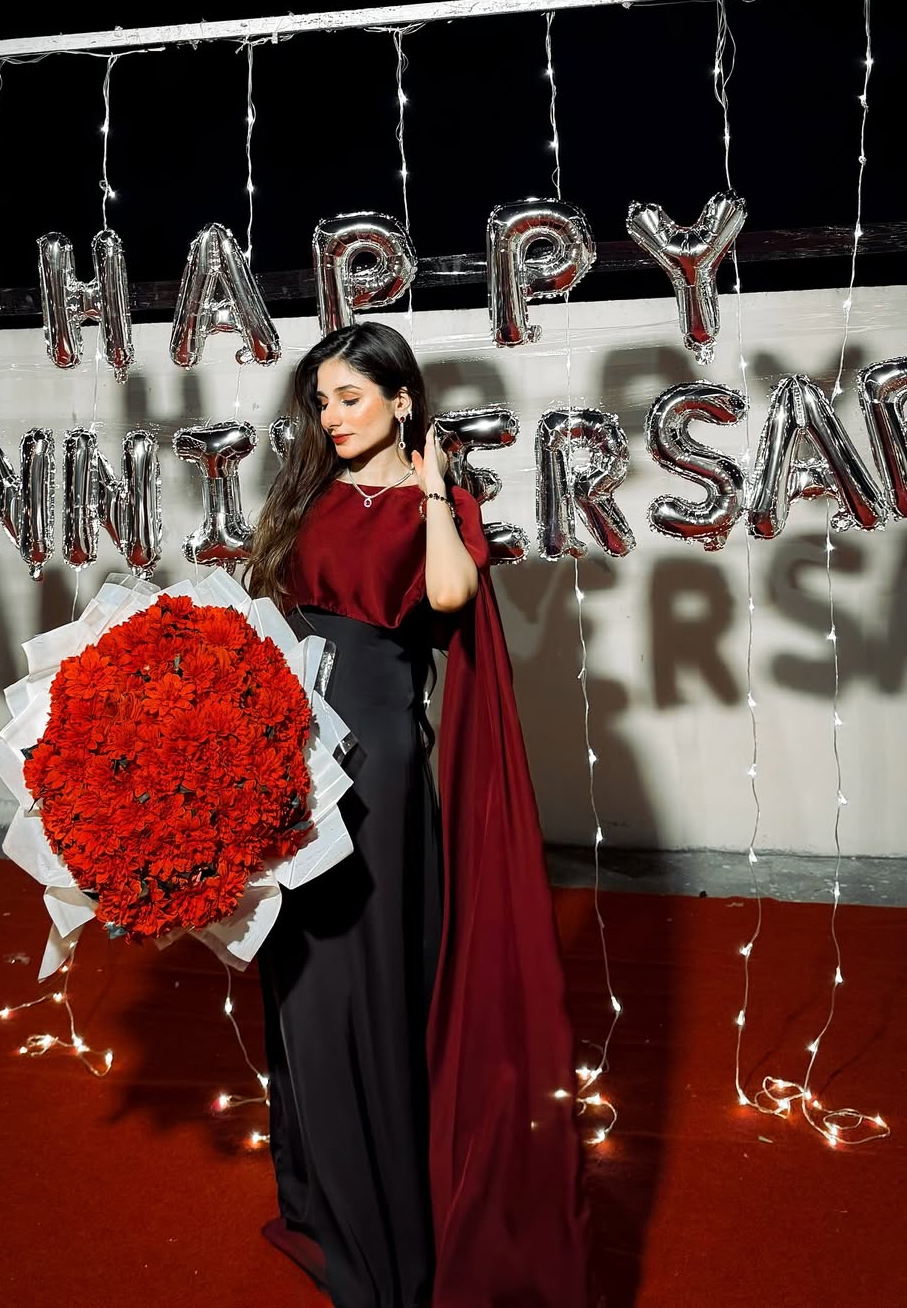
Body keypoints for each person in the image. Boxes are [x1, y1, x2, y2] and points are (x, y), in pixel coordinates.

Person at [246, 322, 592, 1308]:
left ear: (401, 401)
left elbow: (446, 594)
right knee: (302, 975)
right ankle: (328, 1195)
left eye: (350, 397)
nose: (331, 417)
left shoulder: (438, 505)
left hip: (378, 765)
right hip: (293, 745)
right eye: (321, 402)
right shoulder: (314, 494)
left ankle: (388, 1235)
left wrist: (435, 486)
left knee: (365, 973)